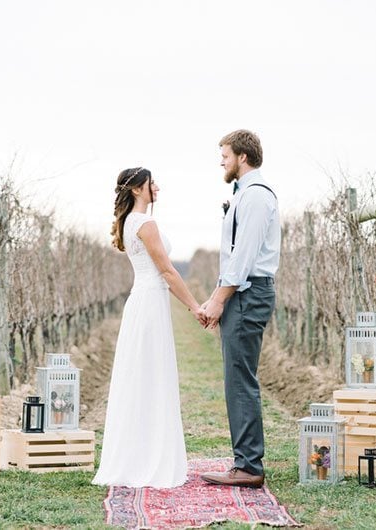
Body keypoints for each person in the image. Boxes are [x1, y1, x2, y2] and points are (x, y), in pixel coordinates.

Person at [92, 167, 206, 488]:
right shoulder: (145, 223)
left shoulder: (129, 223)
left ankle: (137, 455)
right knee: (152, 375)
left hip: (141, 302)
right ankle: (149, 459)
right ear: (138, 190)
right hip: (150, 303)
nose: (157, 186)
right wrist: (195, 306)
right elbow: (168, 272)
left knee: (141, 377)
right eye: (151, 182)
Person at [200, 130, 281, 488]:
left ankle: (249, 465)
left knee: (240, 379)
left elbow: (243, 258)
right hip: (242, 293)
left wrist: (219, 300)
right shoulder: (245, 196)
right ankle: (245, 461)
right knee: (236, 378)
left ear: (242, 157)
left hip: (249, 295)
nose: (221, 161)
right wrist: (217, 295)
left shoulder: (257, 198)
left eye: (225, 155)